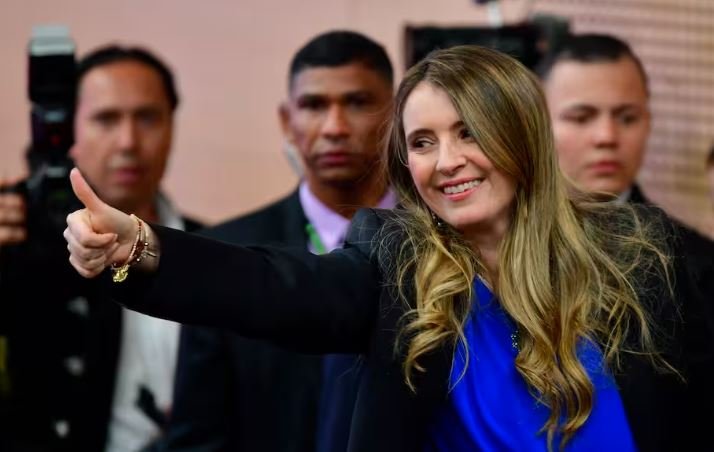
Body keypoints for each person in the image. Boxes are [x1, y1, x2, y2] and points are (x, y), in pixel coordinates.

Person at [64, 45, 714, 451]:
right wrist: (139, 247)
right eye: (423, 142)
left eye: (469, 132)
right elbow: (269, 287)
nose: (447, 161)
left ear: (522, 135)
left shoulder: (641, 255)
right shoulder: (398, 262)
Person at [164, 30, 396, 452]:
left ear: (395, 114)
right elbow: (196, 438)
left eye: (357, 102)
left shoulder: (447, 245)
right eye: (313, 105)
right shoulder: (225, 253)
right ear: (287, 121)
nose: (335, 127)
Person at [0, 45, 201, 452]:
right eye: (106, 119)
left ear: (172, 126)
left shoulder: (212, 249)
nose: (128, 142)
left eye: (147, 118)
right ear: (68, 128)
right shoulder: (22, 240)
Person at [538, 32, 714, 332]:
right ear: (536, 123)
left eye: (627, 118)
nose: (606, 136)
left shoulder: (695, 264)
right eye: (581, 117)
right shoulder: (494, 246)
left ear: (648, 122)